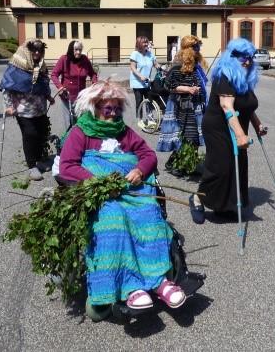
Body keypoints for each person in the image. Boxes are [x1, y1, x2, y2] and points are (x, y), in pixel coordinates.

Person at [58, 81, 186, 311]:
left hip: (131, 191)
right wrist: (100, 182)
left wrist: (139, 170)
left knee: (149, 214)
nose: (114, 113)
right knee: (114, 218)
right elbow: (67, 166)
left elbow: (148, 154)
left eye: (118, 109)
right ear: (95, 108)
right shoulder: (80, 133)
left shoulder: (123, 132)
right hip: (102, 195)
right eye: (109, 109)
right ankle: (130, 286)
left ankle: (160, 282)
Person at [189, 38, 267, 224]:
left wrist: (257, 125)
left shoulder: (245, 76)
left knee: (237, 166)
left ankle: (225, 205)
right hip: (218, 126)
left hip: (237, 124)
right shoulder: (224, 76)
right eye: (242, 57)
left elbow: (247, 106)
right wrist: (240, 135)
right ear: (232, 57)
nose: (247, 61)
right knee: (220, 167)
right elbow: (226, 106)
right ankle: (198, 198)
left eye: (250, 57)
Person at [0, 39, 55, 181]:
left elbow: (44, 84)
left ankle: (39, 160)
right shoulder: (16, 66)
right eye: (34, 50)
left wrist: (48, 96)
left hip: (40, 108)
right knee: (30, 134)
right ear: (27, 51)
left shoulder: (41, 66)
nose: (37, 52)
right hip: (23, 109)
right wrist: (9, 106)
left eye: (40, 50)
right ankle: (32, 166)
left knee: (42, 133)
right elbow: (7, 87)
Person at [156, 35, 207, 153]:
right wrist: (188, 89)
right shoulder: (178, 64)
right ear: (189, 49)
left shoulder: (195, 64)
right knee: (185, 136)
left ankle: (189, 164)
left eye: (198, 46)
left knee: (193, 137)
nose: (198, 49)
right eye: (196, 47)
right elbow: (168, 85)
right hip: (181, 106)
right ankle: (179, 165)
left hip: (195, 104)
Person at [51, 40, 97, 130]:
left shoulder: (85, 60)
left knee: (81, 122)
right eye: (76, 49)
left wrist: (95, 83)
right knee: (69, 123)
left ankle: (80, 141)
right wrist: (60, 87)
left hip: (81, 98)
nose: (78, 52)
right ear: (71, 49)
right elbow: (54, 75)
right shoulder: (64, 59)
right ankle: (68, 141)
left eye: (80, 49)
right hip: (67, 97)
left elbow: (93, 74)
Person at [129, 36, 159, 125]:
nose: (146, 44)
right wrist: (140, 76)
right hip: (137, 82)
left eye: (147, 42)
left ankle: (150, 118)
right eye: (144, 42)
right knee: (139, 101)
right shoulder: (135, 54)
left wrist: (160, 68)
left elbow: (156, 64)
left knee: (149, 100)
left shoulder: (150, 54)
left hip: (147, 81)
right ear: (139, 44)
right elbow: (133, 68)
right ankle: (140, 120)